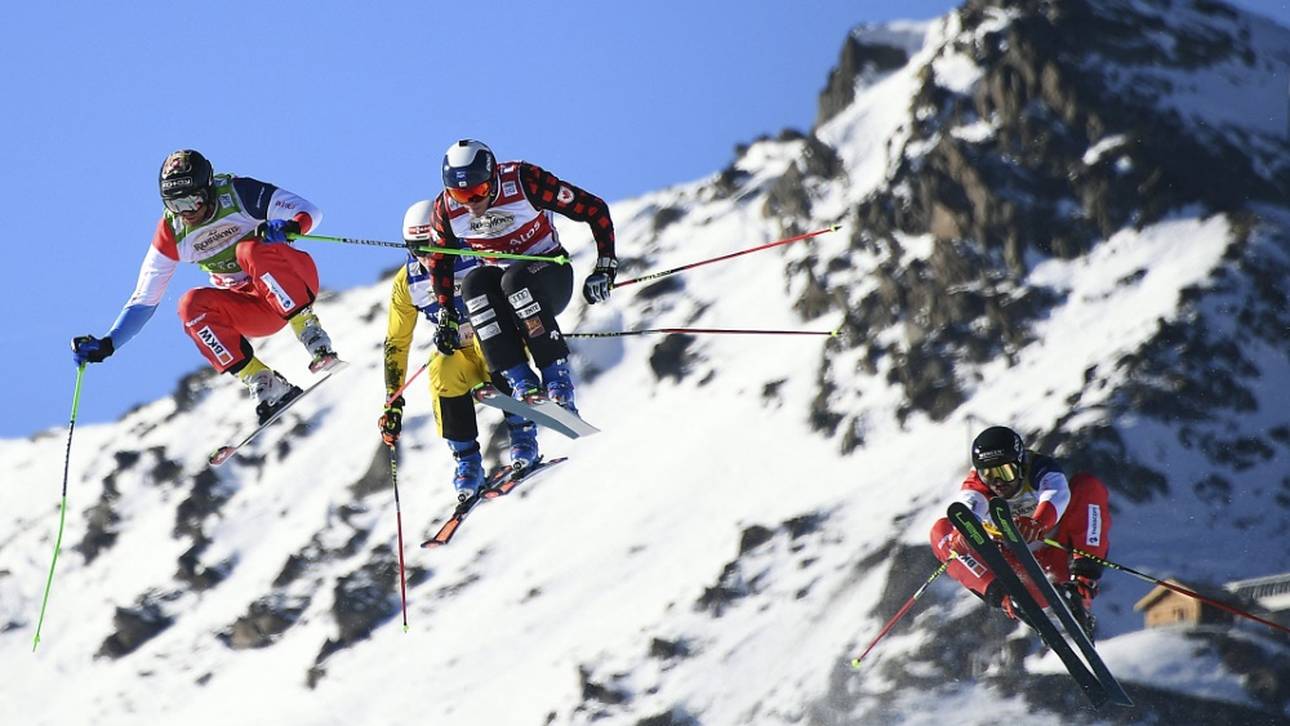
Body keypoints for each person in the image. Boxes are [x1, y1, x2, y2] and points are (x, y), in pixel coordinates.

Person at [71, 149, 339, 424]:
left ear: (208, 187)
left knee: (248, 250)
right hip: (256, 310)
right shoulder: (172, 231)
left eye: (192, 199)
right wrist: (109, 342)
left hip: (293, 281)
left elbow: (309, 211)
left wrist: (292, 226)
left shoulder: (237, 194)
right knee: (189, 306)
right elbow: (145, 298)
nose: (187, 211)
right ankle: (264, 381)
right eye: (176, 204)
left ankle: (311, 333)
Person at [425, 139, 617, 417]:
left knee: (515, 279)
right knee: (474, 285)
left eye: (478, 191)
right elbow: (439, 259)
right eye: (460, 195)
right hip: (503, 292)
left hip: (549, 276)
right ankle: (521, 380)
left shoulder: (524, 181)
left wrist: (605, 267)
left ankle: (557, 381)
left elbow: (594, 209)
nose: (471, 204)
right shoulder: (446, 209)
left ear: (492, 178)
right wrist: (447, 314)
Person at [377, 200, 541, 503]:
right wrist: (393, 402)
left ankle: (522, 434)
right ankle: (467, 463)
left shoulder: (476, 251)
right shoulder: (408, 282)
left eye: (431, 245)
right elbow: (396, 343)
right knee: (441, 368)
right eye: (417, 249)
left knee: (488, 337)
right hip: (463, 356)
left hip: (500, 347)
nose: (427, 257)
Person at [928, 425, 1110, 638]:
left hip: (1059, 558)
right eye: (987, 474)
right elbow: (969, 506)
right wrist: (964, 533)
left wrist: (1038, 523)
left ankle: (1081, 588)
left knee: (1087, 486)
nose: (997, 482)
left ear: (1020, 463)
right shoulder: (977, 486)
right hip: (1017, 574)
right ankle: (1010, 600)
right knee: (940, 531)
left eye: (1004, 472)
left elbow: (1056, 493)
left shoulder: (1041, 469)